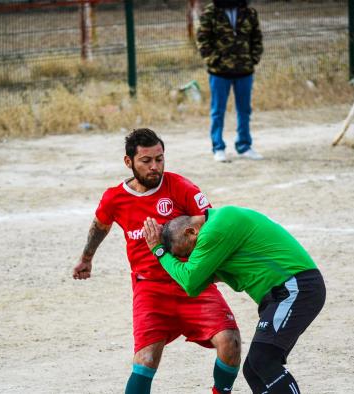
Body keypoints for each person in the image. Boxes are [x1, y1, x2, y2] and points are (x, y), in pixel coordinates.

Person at [72, 129, 241, 394]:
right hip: (150, 290)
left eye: (160, 159)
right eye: (146, 161)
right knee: (146, 360)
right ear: (129, 162)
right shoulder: (115, 198)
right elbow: (100, 225)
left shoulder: (181, 187)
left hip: (189, 280)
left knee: (230, 341)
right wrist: (86, 258)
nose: (155, 167)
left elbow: (212, 224)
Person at [142, 206, 326, 394]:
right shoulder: (218, 231)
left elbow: (189, 281)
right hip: (283, 292)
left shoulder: (217, 227)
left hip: (295, 287)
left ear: (191, 231)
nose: (190, 258)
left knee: (263, 360)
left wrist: (158, 251)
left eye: (187, 252)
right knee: (253, 370)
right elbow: (194, 287)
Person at [197, 0, 264, 163]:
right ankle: (218, 148)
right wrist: (214, 61)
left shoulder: (249, 12)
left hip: (244, 71)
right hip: (219, 73)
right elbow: (202, 40)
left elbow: (257, 38)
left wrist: (252, 59)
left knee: (244, 110)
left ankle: (244, 146)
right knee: (218, 111)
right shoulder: (210, 13)